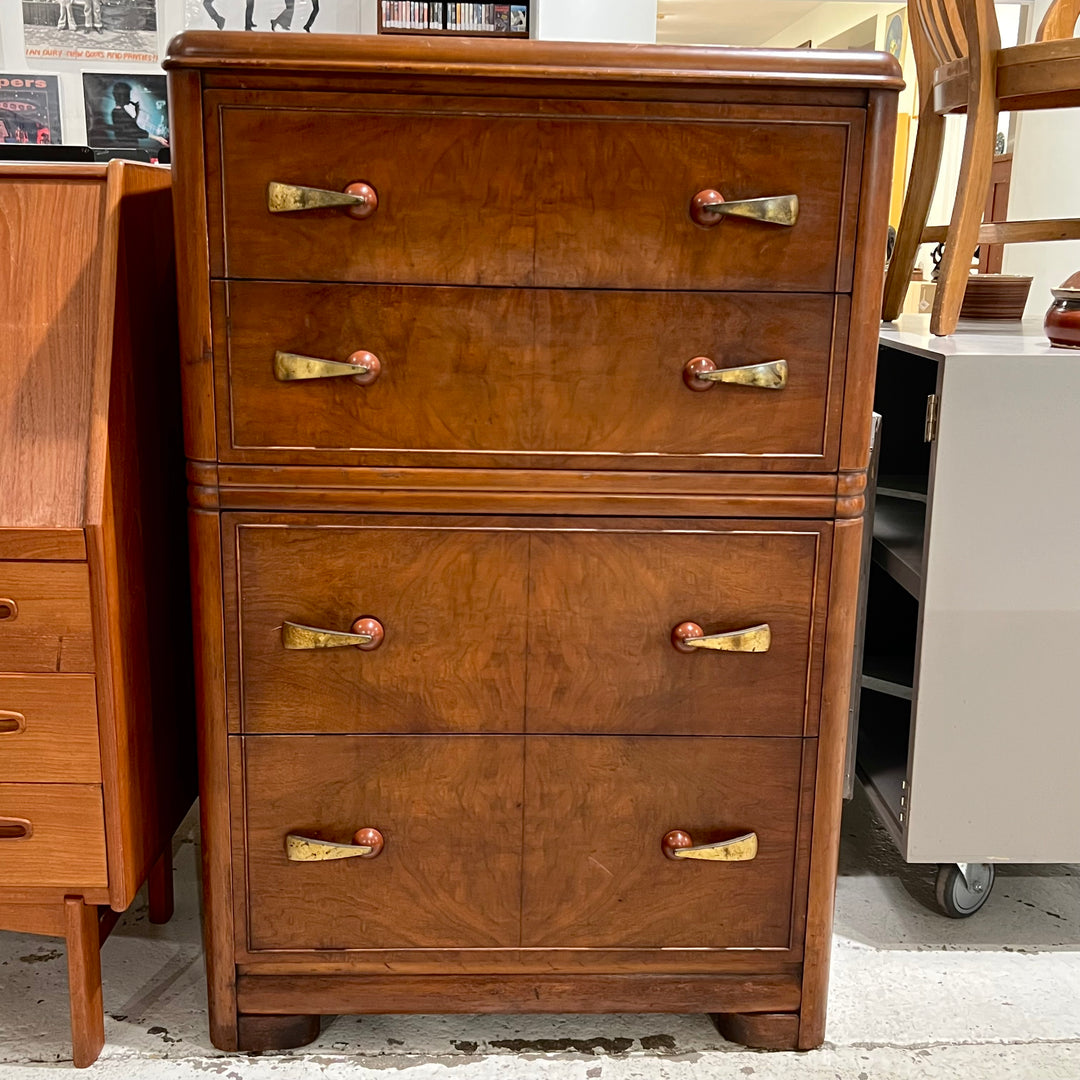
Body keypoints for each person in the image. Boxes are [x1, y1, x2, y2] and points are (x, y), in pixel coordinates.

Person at [110, 82, 168, 149]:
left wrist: (136, 112)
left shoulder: (119, 112)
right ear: (122, 96)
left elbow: (131, 126)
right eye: (127, 95)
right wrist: (157, 138)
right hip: (128, 148)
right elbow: (135, 131)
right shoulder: (119, 113)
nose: (129, 98)